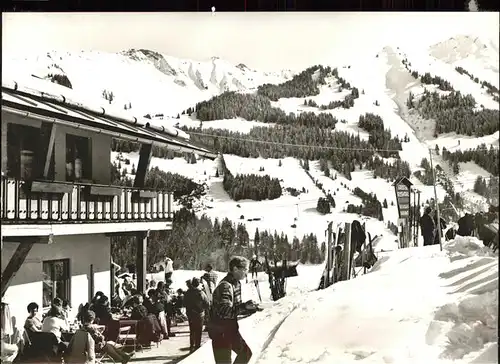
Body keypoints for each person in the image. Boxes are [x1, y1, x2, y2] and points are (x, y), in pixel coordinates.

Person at [208, 256, 257, 364]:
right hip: (220, 332)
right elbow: (225, 311)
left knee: (246, 353)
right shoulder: (225, 285)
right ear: (235, 269)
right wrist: (244, 307)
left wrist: (250, 309)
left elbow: (235, 309)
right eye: (245, 269)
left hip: (230, 330)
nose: (246, 273)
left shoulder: (236, 284)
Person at [184, 277, 210, 353]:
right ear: (198, 284)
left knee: (192, 330)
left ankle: (192, 345)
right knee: (199, 330)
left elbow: (184, 303)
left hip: (190, 314)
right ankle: (197, 345)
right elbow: (207, 303)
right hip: (199, 314)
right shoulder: (201, 292)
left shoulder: (187, 293)